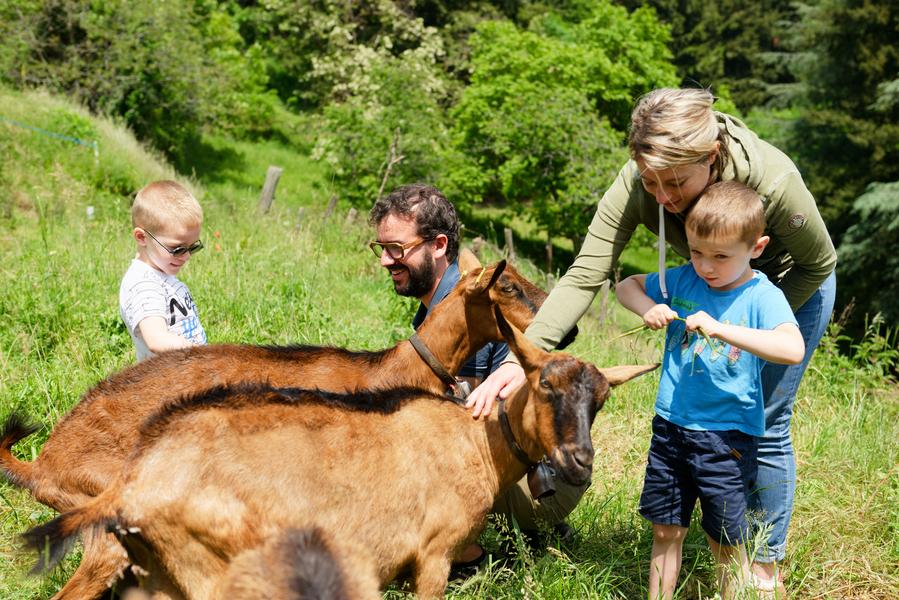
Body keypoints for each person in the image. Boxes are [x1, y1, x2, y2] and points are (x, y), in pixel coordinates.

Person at [466, 87, 837, 594]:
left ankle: (762, 568)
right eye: (650, 182)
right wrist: (519, 360)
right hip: (703, 290)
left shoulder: (773, 182)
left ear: (710, 158)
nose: (661, 197)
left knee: (765, 421)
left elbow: (820, 263)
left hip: (789, 286)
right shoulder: (641, 182)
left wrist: (751, 331)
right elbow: (585, 275)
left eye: (676, 184)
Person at [368, 183, 585, 567]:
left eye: (396, 249)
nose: (386, 260)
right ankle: (534, 535)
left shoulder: (476, 307)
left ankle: (474, 562)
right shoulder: (437, 309)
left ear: (437, 246)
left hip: (546, 483)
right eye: (382, 248)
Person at [616, 181, 805, 598]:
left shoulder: (761, 296)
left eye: (721, 256)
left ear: (756, 248)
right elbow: (624, 285)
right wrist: (649, 308)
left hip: (727, 438)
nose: (706, 266)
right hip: (671, 427)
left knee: (726, 540)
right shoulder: (684, 280)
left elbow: (792, 348)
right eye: (697, 252)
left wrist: (722, 329)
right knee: (665, 529)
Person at [119, 180, 207, 362]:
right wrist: (204, 355)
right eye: (177, 249)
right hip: (168, 382)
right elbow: (156, 339)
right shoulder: (143, 284)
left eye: (193, 247)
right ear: (142, 237)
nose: (186, 256)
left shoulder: (161, 275)